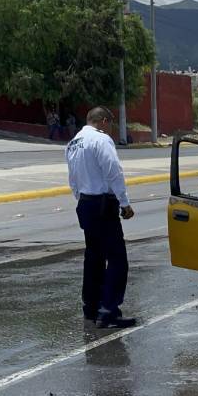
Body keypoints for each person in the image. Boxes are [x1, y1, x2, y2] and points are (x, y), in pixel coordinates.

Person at [66, 106, 135, 328]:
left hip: (85, 203)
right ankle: (109, 311)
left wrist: (81, 197)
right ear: (104, 121)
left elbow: (73, 178)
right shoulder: (100, 140)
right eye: (111, 124)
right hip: (103, 204)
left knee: (93, 258)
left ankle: (91, 309)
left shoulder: (73, 143)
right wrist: (124, 203)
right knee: (117, 258)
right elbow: (113, 171)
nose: (112, 129)